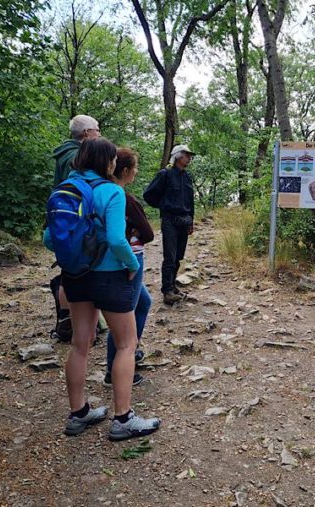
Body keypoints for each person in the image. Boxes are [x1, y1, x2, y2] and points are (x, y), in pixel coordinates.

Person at [44, 138, 160, 441]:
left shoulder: (64, 191)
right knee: (126, 344)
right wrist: (131, 266)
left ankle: (78, 413)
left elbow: (48, 239)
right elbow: (116, 238)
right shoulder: (111, 191)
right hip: (110, 276)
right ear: (107, 163)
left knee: (80, 345)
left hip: (75, 274)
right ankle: (123, 419)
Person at [104, 147, 153, 387]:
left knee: (143, 303)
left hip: (117, 260)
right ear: (125, 170)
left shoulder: (102, 192)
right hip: (129, 261)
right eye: (135, 168)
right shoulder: (124, 197)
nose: (137, 172)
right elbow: (149, 233)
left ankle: (126, 355)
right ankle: (117, 367)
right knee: (125, 317)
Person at [51, 115, 102, 341]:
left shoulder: (64, 154)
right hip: (79, 221)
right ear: (86, 133)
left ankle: (67, 320)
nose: (99, 133)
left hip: (62, 220)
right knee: (80, 271)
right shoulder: (78, 156)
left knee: (68, 270)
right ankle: (76, 321)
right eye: (97, 130)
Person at [147, 144, 196, 305]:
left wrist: (191, 221)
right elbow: (149, 194)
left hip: (184, 220)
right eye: (186, 155)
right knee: (170, 256)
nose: (189, 158)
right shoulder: (165, 175)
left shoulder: (187, 177)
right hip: (169, 220)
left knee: (179, 257)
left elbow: (190, 200)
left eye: (190, 156)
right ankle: (166, 290)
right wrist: (164, 206)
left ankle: (172, 285)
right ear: (178, 156)